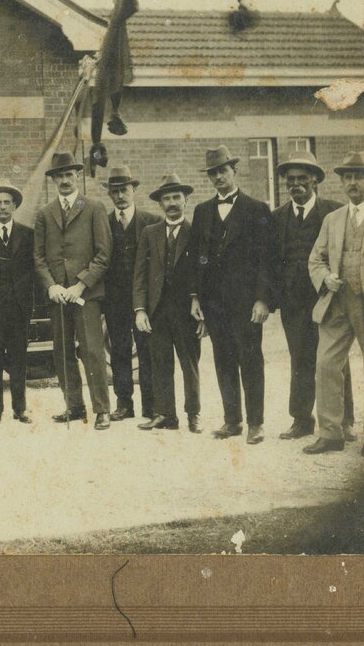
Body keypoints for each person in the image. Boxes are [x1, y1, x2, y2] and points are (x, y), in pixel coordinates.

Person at [189, 145, 273, 444]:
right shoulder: (202, 212)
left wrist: (263, 298)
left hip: (246, 302)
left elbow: (266, 258)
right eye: (212, 173)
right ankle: (232, 421)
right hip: (214, 304)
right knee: (223, 361)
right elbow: (199, 257)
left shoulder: (257, 209)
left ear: (233, 171)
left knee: (250, 360)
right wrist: (196, 296)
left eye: (222, 171)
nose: (218, 177)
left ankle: (256, 423)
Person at [269, 149, 352, 440]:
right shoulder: (277, 218)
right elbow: (270, 262)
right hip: (293, 303)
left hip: (328, 300)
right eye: (290, 180)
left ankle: (345, 421)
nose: (296, 185)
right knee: (299, 359)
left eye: (302, 179)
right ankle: (301, 420)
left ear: (315, 180)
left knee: (334, 359)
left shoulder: (334, 212)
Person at [32, 151, 114, 428]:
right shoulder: (44, 213)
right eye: (60, 176)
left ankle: (102, 409)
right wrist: (52, 286)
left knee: (92, 351)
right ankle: (75, 406)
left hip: (85, 296)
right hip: (58, 297)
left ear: (77, 176)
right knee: (62, 351)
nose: (65, 180)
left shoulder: (94, 208)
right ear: (53, 180)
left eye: (69, 174)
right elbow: (39, 257)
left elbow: (104, 254)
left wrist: (80, 285)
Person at [306, 151, 364, 456]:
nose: (352, 183)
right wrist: (325, 278)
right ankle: (331, 433)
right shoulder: (332, 219)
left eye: (359, 176)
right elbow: (315, 258)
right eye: (347, 177)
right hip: (337, 301)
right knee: (326, 363)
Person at [133, 175, 204, 432]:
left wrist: (202, 311)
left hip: (187, 312)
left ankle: (193, 414)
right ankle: (165, 414)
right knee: (160, 364)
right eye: (167, 198)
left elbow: (204, 274)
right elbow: (139, 274)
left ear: (185, 200)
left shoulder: (196, 232)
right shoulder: (149, 233)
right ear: (160, 204)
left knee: (190, 365)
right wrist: (140, 309)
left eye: (176, 197)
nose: (172, 203)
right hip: (157, 312)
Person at [100, 166, 157, 422]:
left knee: (147, 350)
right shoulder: (104, 223)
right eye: (115, 191)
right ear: (110, 195)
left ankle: (151, 405)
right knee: (119, 351)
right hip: (115, 300)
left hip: (144, 300)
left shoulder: (151, 221)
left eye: (124, 190)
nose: (120, 195)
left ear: (134, 190)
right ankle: (124, 404)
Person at [0, 181, 36, 425]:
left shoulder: (28, 233)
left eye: (6, 203)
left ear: (14, 206)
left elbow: (33, 270)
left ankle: (20, 409)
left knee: (18, 359)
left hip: (18, 308)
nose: (2, 207)